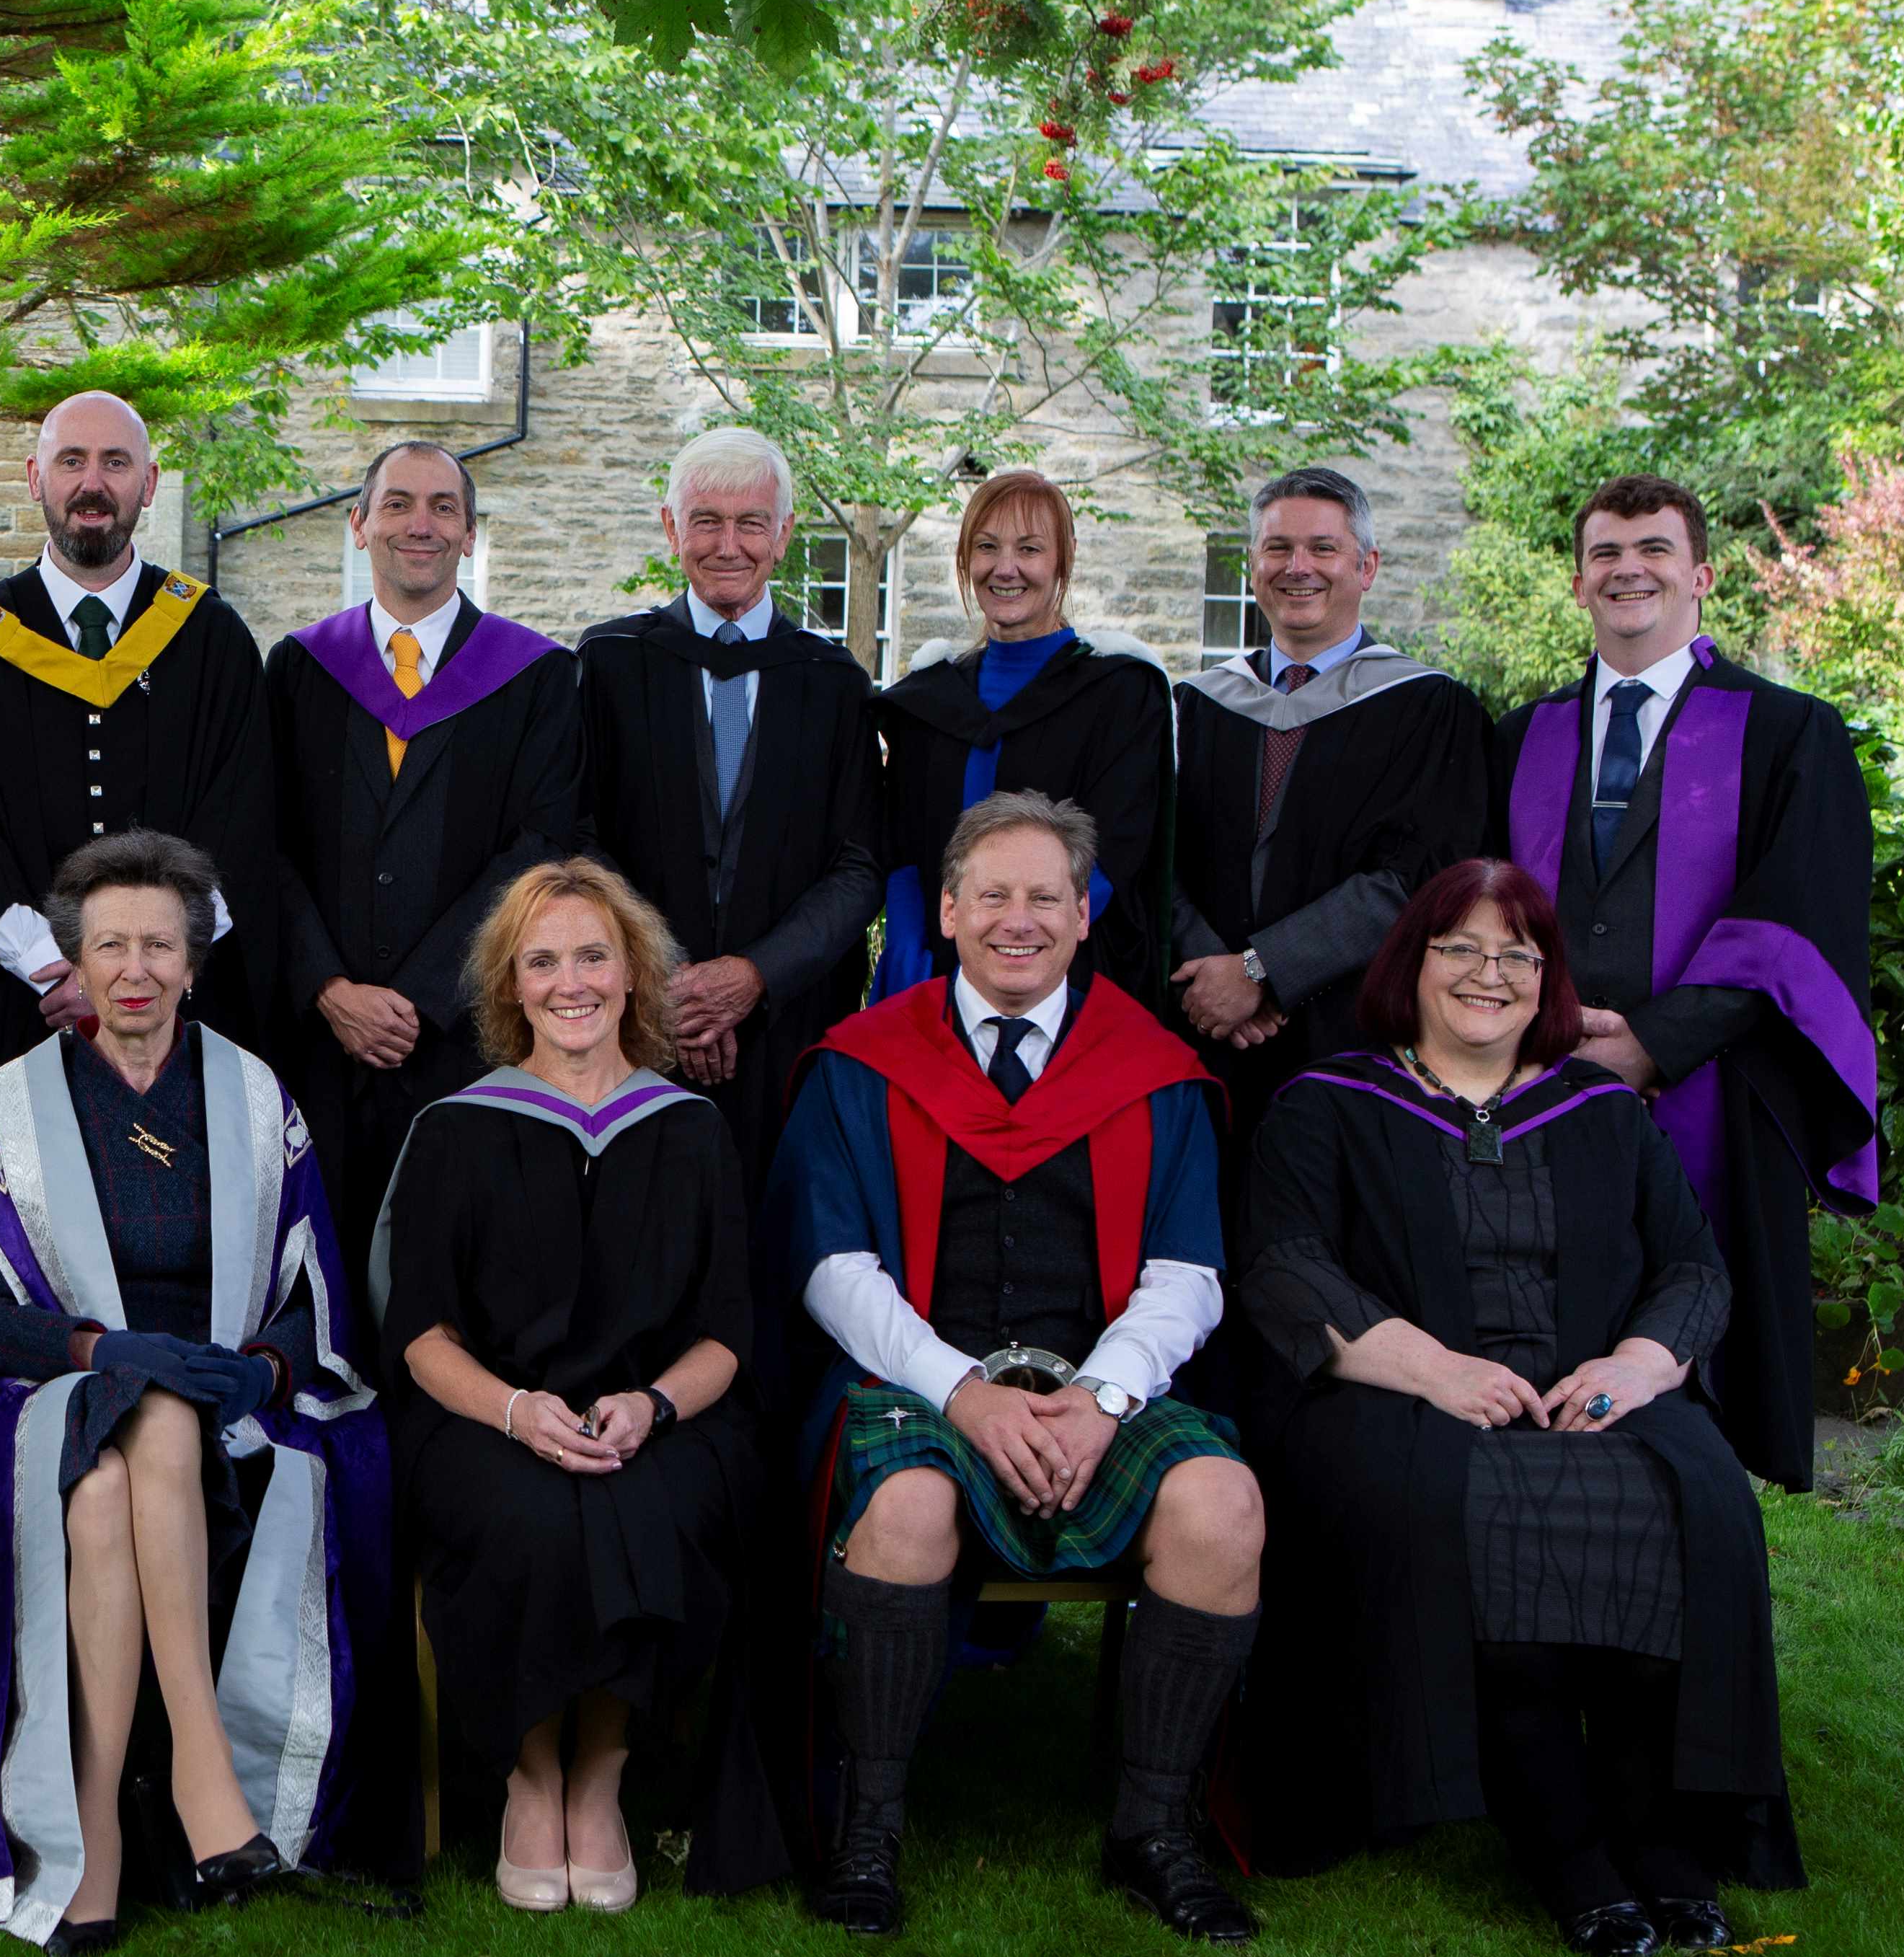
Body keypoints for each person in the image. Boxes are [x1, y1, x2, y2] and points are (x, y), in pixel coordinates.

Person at [1239, 860, 1799, 1956]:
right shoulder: (1328, 1106)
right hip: (1403, 1397)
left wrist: (1633, 1369)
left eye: (1517, 954)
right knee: (1473, 1514)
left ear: (1548, 980)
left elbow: (1693, 1268)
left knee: (1687, 1504)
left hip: (1592, 1391)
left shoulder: (1602, 1110)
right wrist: (1436, 1370)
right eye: (1461, 948)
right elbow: (1285, 1268)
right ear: (1414, 963)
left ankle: (1658, 1832)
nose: (1488, 974)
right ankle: (1571, 1848)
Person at [0, 832, 397, 1955]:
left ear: (195, 960)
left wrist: (262, 1366)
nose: (135, 970)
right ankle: (205, 1786)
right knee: (134, 1416)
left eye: (161, 945)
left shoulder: (255, 1095)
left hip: (219, 1395)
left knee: (117, 1476)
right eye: (110, 944)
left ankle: (95, 1847)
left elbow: (314, 1281)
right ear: (74, 957)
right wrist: (98, 1352)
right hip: (42, 1401)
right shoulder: (10, 1105)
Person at [779, 791, 1265, 1943]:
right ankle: (870, 1826)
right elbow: (833, 1267)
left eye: (1046, 895)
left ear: (1085, 914)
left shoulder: (1152, 1070)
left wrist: (1100, 1398)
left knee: (1221, 1504)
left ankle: (1154, 1827)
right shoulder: (863, 1062)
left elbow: (1189, 1273)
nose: (1019, 918)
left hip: (1102, 1380)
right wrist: (961, 1391)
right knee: (902, 1506)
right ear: (945, 911)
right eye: (991, 894)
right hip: (923, 1380)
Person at [374, 857, 757, 1914]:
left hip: (658, 1420)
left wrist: (656, 1404)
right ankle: (529, 1772)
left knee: (653, 1507)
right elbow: (418, 1334)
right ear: (512, 987)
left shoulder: (691, 1130)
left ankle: (604, 1775)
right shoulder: (456, 1128)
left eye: (594, 955)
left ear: (636, 973)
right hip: (486, 1416)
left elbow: (728, 1332)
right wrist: (515, 1410)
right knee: (535, 1520)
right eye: (542, 962)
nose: (570, 982)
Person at [1492, 476, 1875, 1492]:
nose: (1630, 569)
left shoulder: (1791, 734)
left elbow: (1798, 921)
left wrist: (1652, 1041)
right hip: (1539, 1077)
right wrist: (1546, 1031)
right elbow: (1477, 905)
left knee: (1700, 1328)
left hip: (1713, 1084)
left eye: (1655, 549)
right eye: (1608, 552)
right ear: (1579, 583)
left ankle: (1703, 1537)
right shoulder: (1520, 737)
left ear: (1701, 575)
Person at [1164, 468, 1492, 1400]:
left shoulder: (1432, 711)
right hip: (1206, 1042)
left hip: (1350, 1041)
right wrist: (1211, 976)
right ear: (1253, 566)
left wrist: (1265, 973)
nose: (1297, 568)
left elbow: (1419, 880)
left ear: (1367, 566)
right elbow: (1157, 867)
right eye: (1277, 548)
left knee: (1339, 1259)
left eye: (1321, 549)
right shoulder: (1194, 708)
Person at [0, 391, 279, 1162]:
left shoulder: (211, 637)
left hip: (181, 1004)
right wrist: (59, 967)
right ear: (35, 479)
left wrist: (149, 968)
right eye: (71, 461)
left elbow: (243, 814)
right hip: (22, 1001)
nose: (92, 483)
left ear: (149, 482)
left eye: (116, 462)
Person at [261, 441, 583, 1265]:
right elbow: (261, 842)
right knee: (315, 1253)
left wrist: (420, 997)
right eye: (398, 504)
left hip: (463, 1037)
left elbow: (541, 848)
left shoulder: (536, 677)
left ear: (471, 535)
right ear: (359, 524)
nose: (421, 525)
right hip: (323, 1040)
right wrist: (328, 987)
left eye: (444, 508)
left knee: (451, 1256)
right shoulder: (299, 669)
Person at [575, 430, 879, 1180]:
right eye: (705, 520)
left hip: (793, 1024)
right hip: (635, 1023)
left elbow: (860, 864)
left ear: (784, 534)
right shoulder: (611, 666)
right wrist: (676, 983)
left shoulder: (833, 684)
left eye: (751, 523)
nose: (728, 544)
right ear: (671, 528)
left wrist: (752, 977)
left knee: (785, 1255)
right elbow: (576, 841)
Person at [870, 470, 1170, 1003]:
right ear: (965, 559)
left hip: (1065, 975)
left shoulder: (1120, 694)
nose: (1005, 569)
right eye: (987, 548)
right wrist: (906, 949)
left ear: (1063, 558)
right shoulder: (927, 701)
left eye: (1029, 549)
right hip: (935, 972)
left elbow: (1114, 854)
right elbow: (904, 850)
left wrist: (1017, 949)